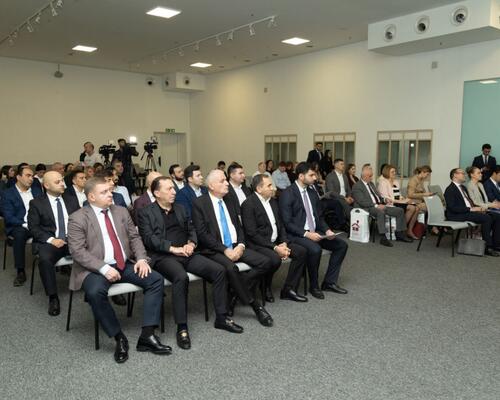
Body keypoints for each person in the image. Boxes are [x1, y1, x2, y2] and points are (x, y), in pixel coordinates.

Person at [68, 177, 170, 363]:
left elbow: (135, 238)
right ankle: (118, 337)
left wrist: (141, 259)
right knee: (94, 292)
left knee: (155, 279)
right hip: (95, 269)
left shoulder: (121, 211)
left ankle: (147, 335)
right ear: (91, 197)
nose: (110, 194)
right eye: (104, 192)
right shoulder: (78, 218)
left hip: (124, 264)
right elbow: (77, 251)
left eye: (110, 190)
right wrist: (103, 268)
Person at [138, 177, 243, 348]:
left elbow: (192, 229)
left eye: (174, 188)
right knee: (181, 277)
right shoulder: (145, 212)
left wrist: (191, 243)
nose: (174, 192)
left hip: (187, 253)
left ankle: (222, 317)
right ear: (157, 193)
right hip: (164, 256)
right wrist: (173, 249)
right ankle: (182, 327)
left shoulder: (180, 208)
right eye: (169, 189)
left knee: (218, 270)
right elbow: (149, 239)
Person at [192, 169, 274, 327]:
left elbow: (239, 226)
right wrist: (225, 250)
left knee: (266, 262)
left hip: (236, 245)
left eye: (226, 180)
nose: (226, 183)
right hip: (215, 249)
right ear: (211, 186)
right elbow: (203, 235)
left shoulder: (229, 199)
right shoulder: (200, 203)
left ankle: (234, 292)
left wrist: (241, 245)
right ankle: (256, 306)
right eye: (222, 181)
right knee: (231, 268)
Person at [279, 162, 349, 299]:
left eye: (315, 175)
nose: (315, 178)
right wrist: (307, 234)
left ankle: (329, 282)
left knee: (341, 245)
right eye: (311, 175)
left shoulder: (312, 193)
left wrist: (327, 230)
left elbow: (319, 217)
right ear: (301, 176)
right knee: (315, 249)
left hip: (315, 233)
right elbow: (287, 223)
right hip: (296, 235)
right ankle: (314, 286)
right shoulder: (288, 194)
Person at [241, 174, 308, 302]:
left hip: (277, 241)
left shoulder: (273, 201)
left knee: (301, 252)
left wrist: (283, 242)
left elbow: (280, 225)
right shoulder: (248, 204)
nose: (273, 188)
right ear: (259, 189)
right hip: (259, 244)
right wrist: (275, 248)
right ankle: (265, 287)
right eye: (269, 185)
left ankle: (288, 289)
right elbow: (252, 234)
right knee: (274, 259)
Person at [27, 171, 79, 316]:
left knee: (99, 248)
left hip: (73, 240)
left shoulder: (71, 199)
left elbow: (81, 221)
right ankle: (53, 297)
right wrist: (52, 240)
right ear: (46, 185)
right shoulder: (37, 203)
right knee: (45, 259)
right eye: (57, 182)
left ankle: (107, 285)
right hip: (51, 241)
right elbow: (33, 228)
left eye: (62, 180)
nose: (62, 184)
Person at [0, 165, 42, 286]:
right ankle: (20, 271)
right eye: (28, 175)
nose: (31, 178)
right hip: (19, 225)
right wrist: (24, 224)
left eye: (32, 176)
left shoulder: (36, 191)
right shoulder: (8, 194)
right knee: (19, 235)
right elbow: (8, 216)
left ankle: (61, 263)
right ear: (18, 177)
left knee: (55, 228)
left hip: (37, 223)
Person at [352, 164, 413, 247]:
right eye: (370, 176)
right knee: (380, 212)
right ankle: (383, 237)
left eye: (371, 176)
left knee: (400, 211)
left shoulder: (371, 184)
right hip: (368, 207)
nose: (372, 178)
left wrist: (384, 200)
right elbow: (361, 201)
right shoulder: (357, 186)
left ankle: (399, 234)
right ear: (364, 176)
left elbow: (378, 196)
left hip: (379, 205)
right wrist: (376, 205)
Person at [444, 168, 499, 256]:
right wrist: (471, 209)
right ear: (455, 175)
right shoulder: (450, 189)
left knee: (496, 216)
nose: (465, 175)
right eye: (462, 173)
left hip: (467, 212)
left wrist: (478, 208)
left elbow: (469, 202)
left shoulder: (463, 187)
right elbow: (452, 208)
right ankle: (488, 247)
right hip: (456, 215)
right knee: (486, 218)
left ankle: (496, 244)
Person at [378, 164, 419, 239]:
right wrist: (403, 201)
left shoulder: (396, 182)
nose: (394, 173)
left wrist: (404, 199)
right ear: (387, 172)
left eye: (395, 171)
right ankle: (401, 229)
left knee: (417, 208)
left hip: (398, 202)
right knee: (412, 208)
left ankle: (409, 230)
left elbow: (398, 195)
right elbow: (386, 197)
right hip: (390, 203)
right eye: (392, 172)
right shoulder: (383, 182)